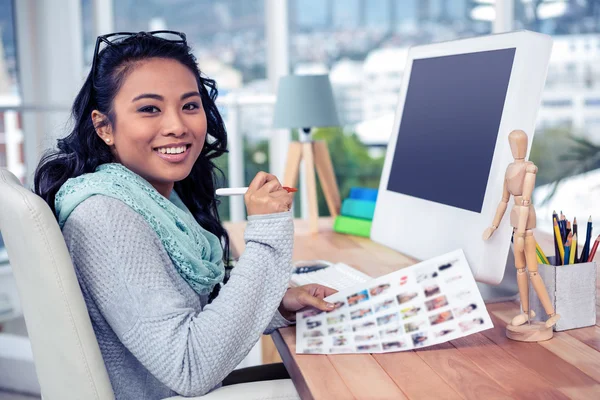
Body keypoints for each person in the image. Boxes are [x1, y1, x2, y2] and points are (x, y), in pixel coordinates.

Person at [34, 31, 337, 399]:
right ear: (104, 127)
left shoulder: (156, 203)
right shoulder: (105, 215)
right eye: (150, 109)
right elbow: (190, 367)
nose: (178, 125)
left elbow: (183, 321)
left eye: (190, 106)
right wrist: (266, 229)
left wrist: (278, 305)